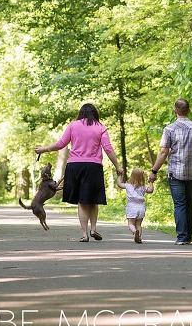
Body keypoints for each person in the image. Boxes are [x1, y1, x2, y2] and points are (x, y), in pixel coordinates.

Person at [35, 103, 124, 242]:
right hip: (93, 167)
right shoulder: (101, 127)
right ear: (95, 114)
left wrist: (44, 149)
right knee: (94, 201)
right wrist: (117, 166)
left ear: (80, 114)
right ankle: (93, 229)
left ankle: (85, 234)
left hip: (75, 166)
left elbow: (60, 144)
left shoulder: (73, 125)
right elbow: (108, 148)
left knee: (82, 202)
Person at [148, 99, 192, 245]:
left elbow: (163, 152)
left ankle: (182, 237)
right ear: (189, 110)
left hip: (175, 174)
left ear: (175, 111)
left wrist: (154, 171)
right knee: (189, 204)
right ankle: (188, 236)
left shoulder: (169, 129)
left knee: (180, 204)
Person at [116, 168, 154, 243]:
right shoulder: (143, 187)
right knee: (139, 224)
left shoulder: (128, 185)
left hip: (131, 207)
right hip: (141, 207)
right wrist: (151, 182)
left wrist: (119, 176)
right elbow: (151, 190)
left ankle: (134, 231)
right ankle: (139, 237)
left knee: (131, 223)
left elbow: (119, 184)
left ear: (131, 176)